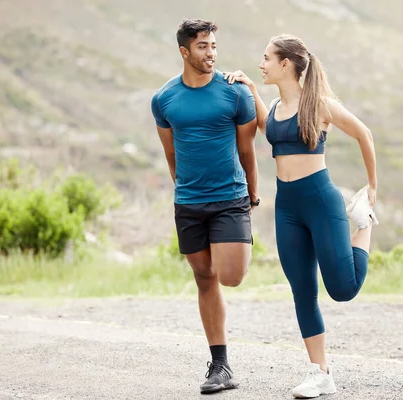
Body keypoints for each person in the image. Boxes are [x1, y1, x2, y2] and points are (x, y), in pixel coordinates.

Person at [224, 34, 379, 398]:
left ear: (286, 64)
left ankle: (364, 224)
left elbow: (364, 134)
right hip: (287, 208)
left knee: (342, 288)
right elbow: (269, 128)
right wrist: (250, 88)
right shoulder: (276, 107)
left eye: (266, 59)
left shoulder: (321, 105)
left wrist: (372, 188)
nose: (261, 64)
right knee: (302, 291)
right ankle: (320, 373)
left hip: (321, 201)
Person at [150, 19, 260, 395]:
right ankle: (220, 364)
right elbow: (171, 153)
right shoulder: (164, 99)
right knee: (204, 277)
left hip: (230, 199)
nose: (211, 53)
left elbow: (248, 149)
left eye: (213, 46)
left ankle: (238, 240)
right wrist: (185, 190)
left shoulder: (235, 94)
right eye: (202, 47)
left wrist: (252, 194)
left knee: (231, 276)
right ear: (185, 51)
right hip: (190, 204)